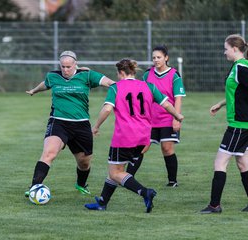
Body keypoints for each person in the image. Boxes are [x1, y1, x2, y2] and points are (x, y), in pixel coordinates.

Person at [84, 59, 184, 213]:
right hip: (144, 137)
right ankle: (102, 202)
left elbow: (107, 109)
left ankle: (145, 192)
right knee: (116, 168)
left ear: (121, 73)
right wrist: (177, 115)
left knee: (115, 172)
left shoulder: (116, 87)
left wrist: (96, 126)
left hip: (124, 136)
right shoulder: (148, 86)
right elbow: (166, 104)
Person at [24, 50, 115, 197]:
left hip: (81, 124)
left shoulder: (87, 75)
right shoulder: (53, 76)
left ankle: (81, 184)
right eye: (63, 67)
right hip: (58, 122)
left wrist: (126, 87)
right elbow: (45, 84)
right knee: (49, 153)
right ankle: (34, 187)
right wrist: (34, 90)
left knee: (84, 163)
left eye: (68, 67)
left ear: (75, 65)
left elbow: (111, 83)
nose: (65, 70)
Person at [200, 34, 248, 213]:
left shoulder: (241, 67)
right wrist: (221, 103)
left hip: (240, 125)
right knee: (242, 163)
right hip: (242, 123)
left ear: (234, 49)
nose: (224, 52)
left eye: (226, 48)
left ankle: (214, 205)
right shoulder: (237, 67)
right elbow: (239, 93)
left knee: (220, 163)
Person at [126, 45, 186, 187]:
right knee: (141, 147)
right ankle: (127, 178)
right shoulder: (148, 74)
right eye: (154, 58)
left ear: (166, 58)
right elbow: (143, 96)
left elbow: (178, 98)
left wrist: (176, 118)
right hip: (150, 119)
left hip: (167, 118)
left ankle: (172, 181)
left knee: (167, 148)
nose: (156, 60)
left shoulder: (174, 75)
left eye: (159, 57)